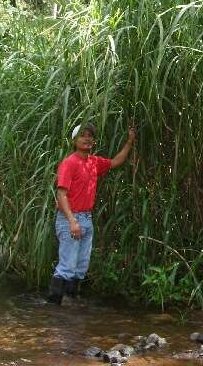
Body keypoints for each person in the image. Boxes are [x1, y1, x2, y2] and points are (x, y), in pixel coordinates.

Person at [47, 122, 136, 304]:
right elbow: (61, 194)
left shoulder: (94, 162)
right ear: (74, 140)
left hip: (86, 219)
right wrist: (72, 221)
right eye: (83, 135)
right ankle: (52, 311)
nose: (87, 138)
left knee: (80, 267)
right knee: (66, 267)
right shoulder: (69, 163)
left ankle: (70, 307)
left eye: (90, 135)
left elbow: (116, 161)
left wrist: (130, 141)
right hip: (70, 219)